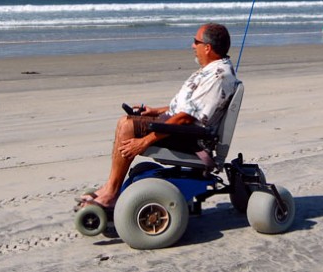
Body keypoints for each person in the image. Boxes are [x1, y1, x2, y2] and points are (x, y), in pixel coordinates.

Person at [78, 23, 238, 209]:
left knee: (127, 126)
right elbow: (188, 108)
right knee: (127, 121)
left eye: (196, 42)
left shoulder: (218, 76)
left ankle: (111, 193)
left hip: (192, 138)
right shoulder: (214, 69)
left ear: (208, 47)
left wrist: (145, 141)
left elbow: (186, 117)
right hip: (182, 128)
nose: (192, 46)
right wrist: (155, 111)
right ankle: (109, 187)